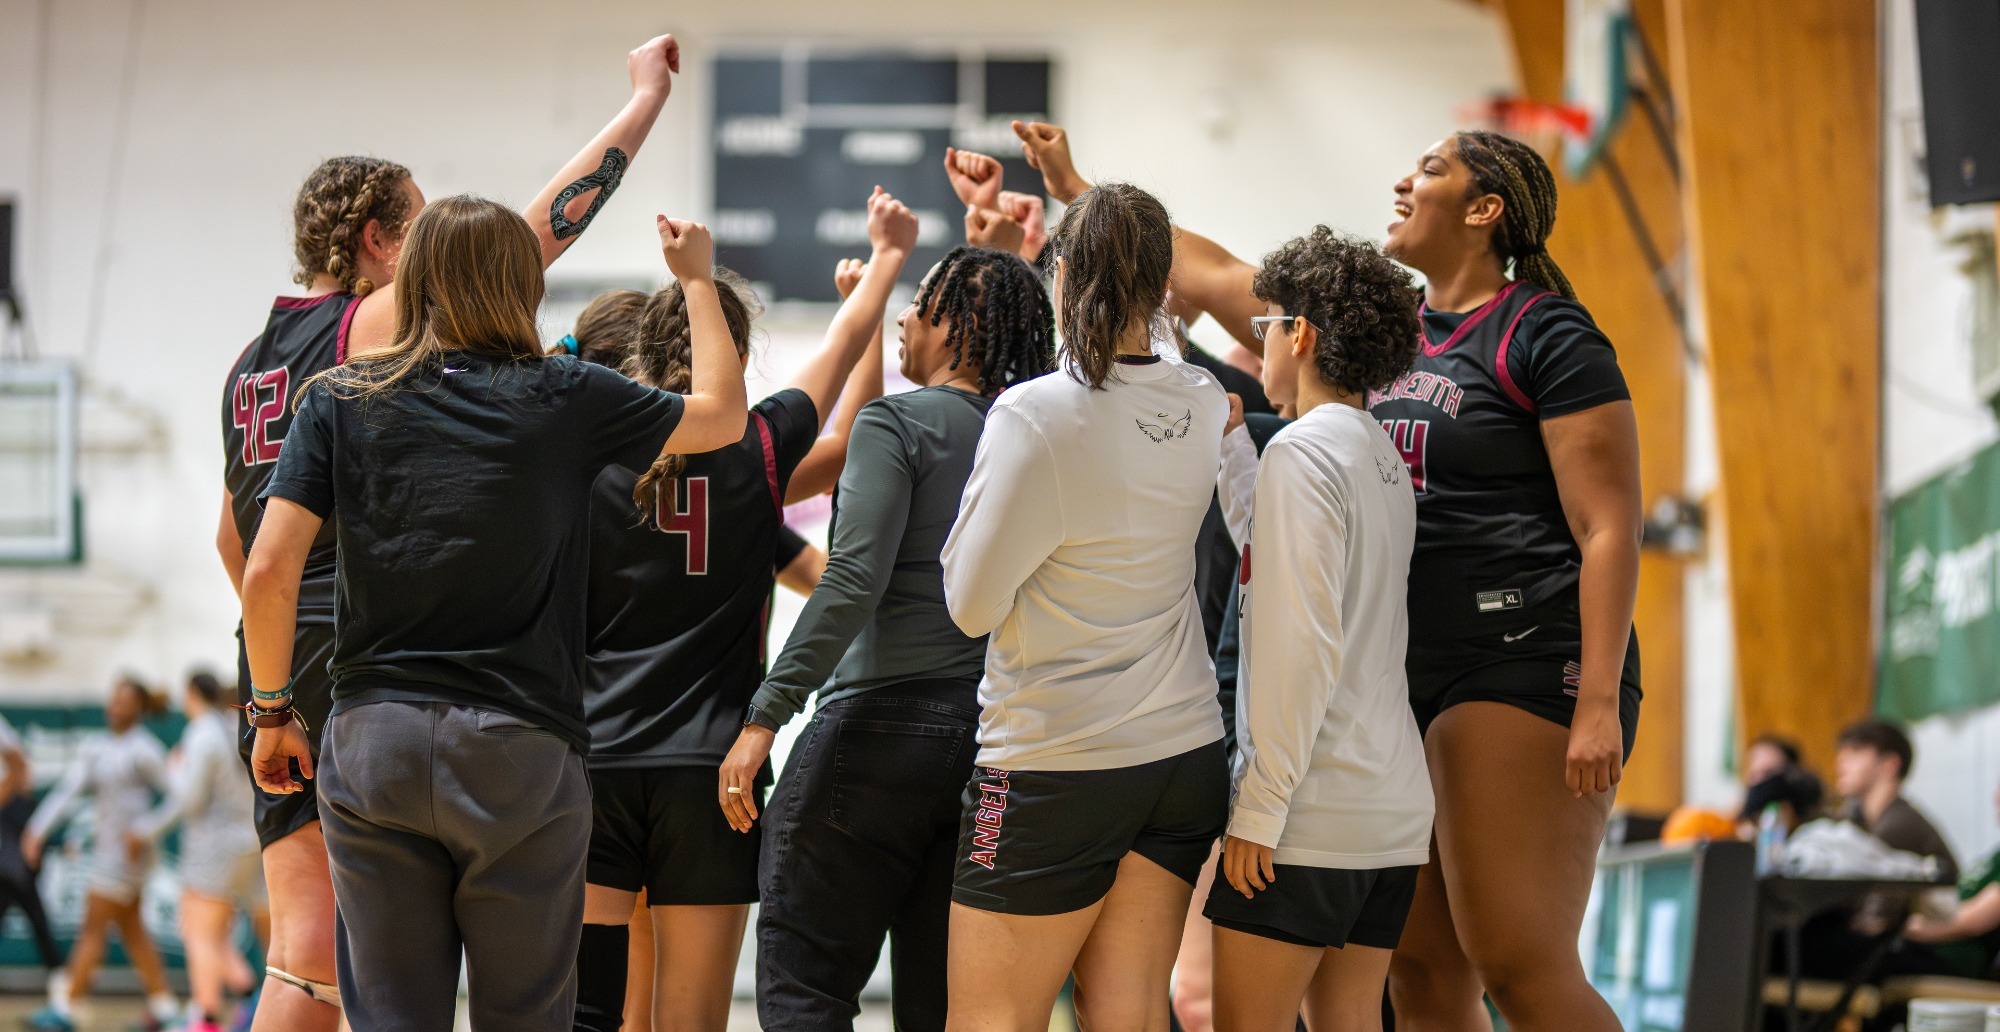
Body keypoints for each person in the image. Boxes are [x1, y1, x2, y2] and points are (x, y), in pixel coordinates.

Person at [216, 34, 684, 1032]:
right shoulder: (376, 329)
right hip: (377, 653)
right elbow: (533, 235)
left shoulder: (251, 363)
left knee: (303, 955)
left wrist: (268, 681)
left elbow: (236, 542)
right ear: (389, 245)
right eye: (423, 223)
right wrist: (641, 104)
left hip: (272, 649)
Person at [571, 188, 917, 1032]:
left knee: (590, 1015)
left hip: (595, 765)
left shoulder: (579, 453)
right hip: (713, 776)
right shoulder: (759, 449)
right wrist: (887, 257)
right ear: (736, 346)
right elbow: (849, 400)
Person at [719, 237, 1054, 1031]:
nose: (905, 317)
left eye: (920, 303)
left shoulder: (897, 422)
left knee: (806, 988)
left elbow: (852, 579)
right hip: (994, 741)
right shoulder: (1040, 433)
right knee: (943, 1006)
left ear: (957, 326)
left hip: (873, 735)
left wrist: (765, 714)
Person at [938, 182, 1229, 1032]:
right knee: (1129, 1017)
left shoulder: (1034, 413)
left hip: (1052, 761)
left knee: (991, 1020)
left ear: (1061, 275)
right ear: (1163, 284)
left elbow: (968, 604)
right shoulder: (1203, 400)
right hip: (1180, 754)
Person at [1202, 228, 1429, 1032]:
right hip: (1390, 814)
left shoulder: (1302, 454)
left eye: (1264, 323)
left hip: (1306, 815)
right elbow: (1281, 558)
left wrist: (1259, 809)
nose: (1258, 343)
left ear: (1300, 334)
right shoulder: (1379, 456)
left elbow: (1301, 646)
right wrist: (1236, 452)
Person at [24, 678, 177, 1032]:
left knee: (92, 929)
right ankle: (165, 1006)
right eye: (113, 700)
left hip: (126, 858)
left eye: (124, 701)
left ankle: (66, 1007)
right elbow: (67, 791)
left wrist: (145, 830)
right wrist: (36, 829)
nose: (115, 707)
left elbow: (178, 796)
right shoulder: (97, 746)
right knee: (133, 930)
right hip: (108, 852)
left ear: (137, 708)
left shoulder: (145, 750)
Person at [131, 671, 268, 1032]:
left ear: (192, 693)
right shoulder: (234, 723)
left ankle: (206, 1018)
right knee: (216, 932)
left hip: (215, 844)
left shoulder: (202, 732)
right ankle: (249, 998)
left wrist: (174, 770)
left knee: (199, 932)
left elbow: (189, 800)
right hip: (251, 840)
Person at [1833, 720, 1958, 880]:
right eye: (1842, 752)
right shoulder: (1874, 819)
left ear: (1890, 764)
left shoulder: (1899, 824)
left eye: (1856, 751)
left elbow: (1877, 899)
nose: (1841, 761)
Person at [1904, 780, 2000, 980]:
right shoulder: (1994, 856)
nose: (1996, 795)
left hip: (1952, 958)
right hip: (1930, 948)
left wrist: (1908, 927)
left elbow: (1974, 921)